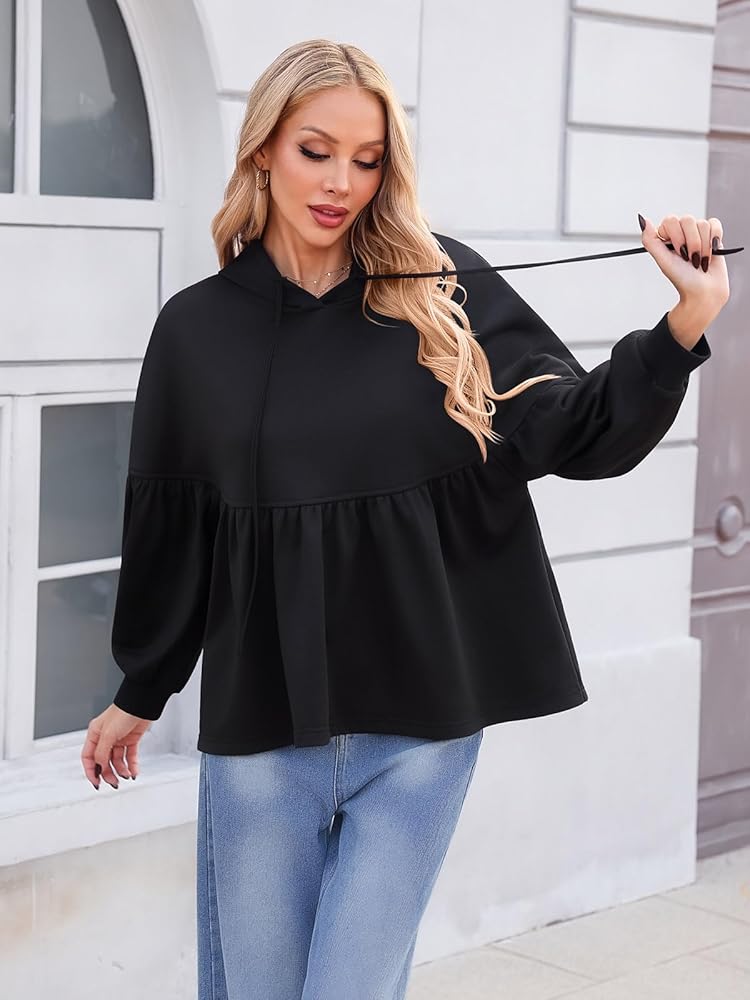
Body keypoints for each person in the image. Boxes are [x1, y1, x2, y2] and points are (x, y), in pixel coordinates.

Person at [80, 38, 729, 1000]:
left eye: (368, 158)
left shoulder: (441, 291)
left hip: (422, 734)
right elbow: (176, 526)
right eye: (315, 150)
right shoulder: (196, 329)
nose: (341, 182)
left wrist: (683, 323)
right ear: (263, 149)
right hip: (263, 734)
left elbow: (574, 430)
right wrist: (143, 688)